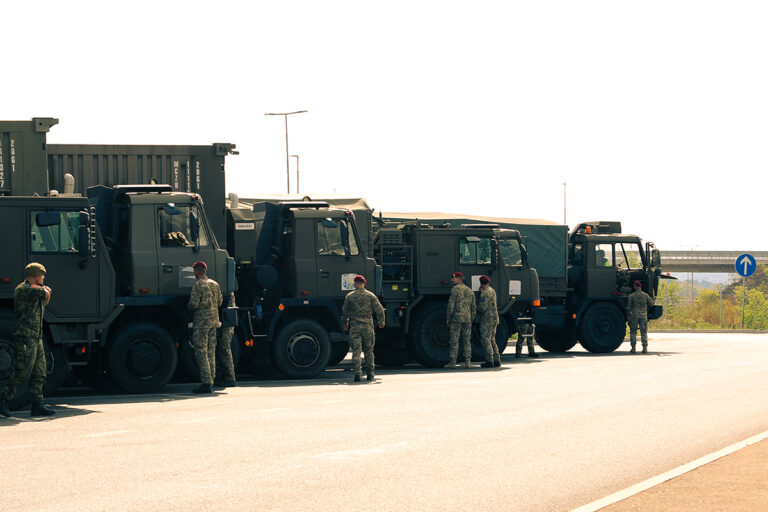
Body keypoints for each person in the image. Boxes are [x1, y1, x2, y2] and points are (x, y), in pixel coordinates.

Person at [0, 263, 55, 417]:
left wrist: (45, 291)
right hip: (25, 336)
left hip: (36, 336)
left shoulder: (34, 290)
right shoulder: (23, 289)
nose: (44, 277)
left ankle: (37, 405)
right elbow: (45, 293)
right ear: (35, 275)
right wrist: (45, 291)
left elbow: (45, 298)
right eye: (42, 274)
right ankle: (4, 399)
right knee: (23, 371)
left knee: (40, 372)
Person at [187, 261, 223, 394]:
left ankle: (206, 383)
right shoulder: (215, 284)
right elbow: (219, 302)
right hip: (214, 322)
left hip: (201, 323)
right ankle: (211, 381)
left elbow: (193, 304)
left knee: (201, 352)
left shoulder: (197, 285)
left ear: (197, 271)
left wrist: (187, 307)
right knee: (211, 351)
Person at [342, 275, 385, 382]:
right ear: (364, 284)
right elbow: (379, 310)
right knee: (369, 351)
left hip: (355, 327)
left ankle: (357, 373)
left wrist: (345, 323)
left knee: (356, 351)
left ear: (355, 284)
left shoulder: (350, 296)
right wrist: (381, 322)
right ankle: (370, 373)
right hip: (367, 327)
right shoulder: (370, 296)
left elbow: (345, 312)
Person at [445, 271, 476, 369]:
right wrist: (471, 319)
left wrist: (448, 318)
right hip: (467, 319)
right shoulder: (469, 290)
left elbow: (451, 305)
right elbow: (473, 307)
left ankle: (453, 362)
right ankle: (468, 362)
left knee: (454, 340)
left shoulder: (455, 289)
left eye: (453, 278)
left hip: (456, 319)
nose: (452, 280)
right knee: (467, 340)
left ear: (459, 278)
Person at [476, 276, 501, 368]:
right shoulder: (492, 290)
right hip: (494, 318)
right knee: (492, 340)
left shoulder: (485, 293)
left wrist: (475, 306)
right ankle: (497, 360)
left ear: (481, 283)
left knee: (486, 340)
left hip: (487, 320)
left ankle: (489, 361)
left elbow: (482, 308)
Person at [214, 292, 238, 388]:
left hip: (227, 319)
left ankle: (230, 378)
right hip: (225, 318)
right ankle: (224, 376)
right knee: (222, 347)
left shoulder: (228, 292)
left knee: (224, 347)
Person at [627, 280, 655, 354]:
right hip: (643, 315)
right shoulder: (645, 295)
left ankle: (633, 348)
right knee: (644, 332)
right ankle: (645, 348)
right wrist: (653, 297)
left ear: (635, 286)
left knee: (633, 332)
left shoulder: (631, 296)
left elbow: (628, 308)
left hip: (634, 315)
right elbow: (652, 304)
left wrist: (628, 316)